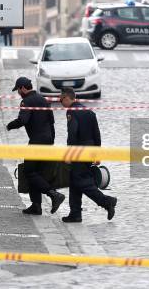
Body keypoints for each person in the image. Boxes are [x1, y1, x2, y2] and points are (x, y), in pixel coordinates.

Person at [6, 77, 65, 215]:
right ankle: (36, 206)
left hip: (36, 142)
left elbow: (23, 120)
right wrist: (51, 141)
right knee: (37, 173)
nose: (18, 93)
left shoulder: (26, 101)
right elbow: (51, 121)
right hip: (48, 140)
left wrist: (10, 125)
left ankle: (53, 195)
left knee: (29, 171)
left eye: (18, 90)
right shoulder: (43, 99)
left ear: (22, 88)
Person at [59, 88, 117, 222]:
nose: (60, 102)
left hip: (79, 152)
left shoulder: (71, 112)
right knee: (74, 181)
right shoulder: (89, 112)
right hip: (90, 151)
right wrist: (97, 153)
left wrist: (69, 154)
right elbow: (97, 134)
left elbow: (72, 134)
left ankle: (107, 202)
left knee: (83, 182)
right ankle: (75, 213)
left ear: (67, 98)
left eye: (61, 99)